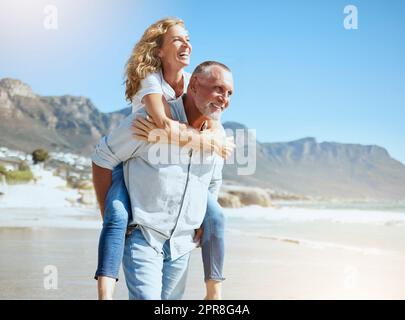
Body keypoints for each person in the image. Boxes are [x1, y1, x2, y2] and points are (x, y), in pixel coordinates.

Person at [93, 18, 233, 300]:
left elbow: (211, 180)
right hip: (145, 234)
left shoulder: (213, 126)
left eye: (228, 93)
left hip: (181, 243)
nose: (223, 98)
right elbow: (106, 154)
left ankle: (214, 290)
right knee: (117, 215)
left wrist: (198, 221)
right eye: (177, 40)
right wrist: (106, 208)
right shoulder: (149, 100)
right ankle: (104, 292)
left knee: (216, 213)